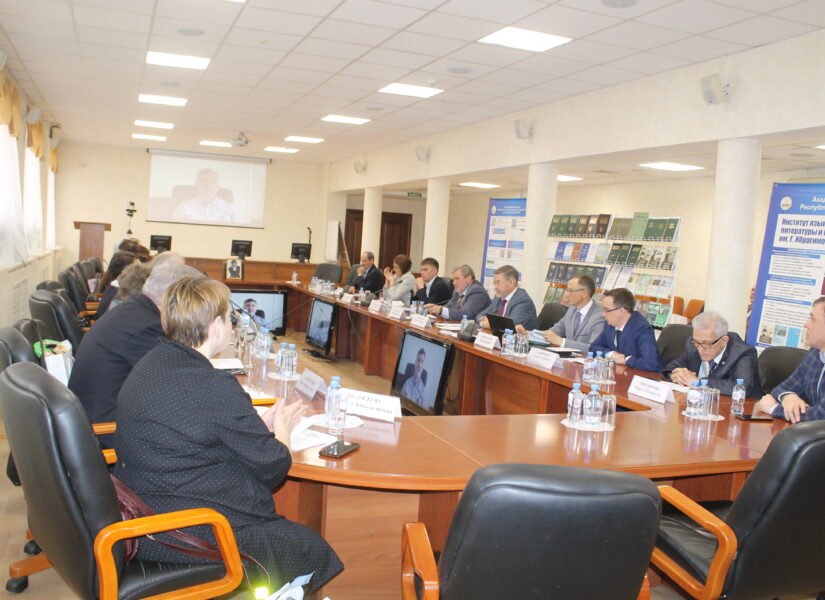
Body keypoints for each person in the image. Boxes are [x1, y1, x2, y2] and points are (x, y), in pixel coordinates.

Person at [114, 277, 342, 593]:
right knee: (307, 546)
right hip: (183, 529)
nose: (233, 325)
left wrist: (254, 428)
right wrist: (283, 431)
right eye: (230, 317)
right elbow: (274, 467)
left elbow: (194, 426)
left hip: (144, 510)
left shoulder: (151, 362)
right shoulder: (213, 386)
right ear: (215, 326)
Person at [68, 257, 199, 445]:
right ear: (177, 298)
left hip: (97, 419)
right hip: (106, 431)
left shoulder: (135, 312)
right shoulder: (147, 327)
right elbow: (179, 385)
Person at [755, 297, 825, 422]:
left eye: (813, 319)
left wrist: (774, 408)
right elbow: (781, 388)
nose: (806, 324)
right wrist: (788, 396)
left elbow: (821, 416)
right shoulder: (815, 352)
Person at [663, 311, 760, 396]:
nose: (700, 349)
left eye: (706, 344)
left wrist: (699, 382)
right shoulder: (693, 343)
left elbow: (742, 387)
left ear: (724, 340)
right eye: (697, 342)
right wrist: (676, 374)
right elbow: (671, 367)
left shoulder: (743, 353)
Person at [516, 274, 604, 351]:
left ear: (584, 293)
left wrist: (562, 341)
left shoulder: (600, 316)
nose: (566, 294)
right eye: (566, 290)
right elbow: (552, 333)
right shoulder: (572, 310)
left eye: (570, 290)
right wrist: (528, 334)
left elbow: (595, 348)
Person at [590, 288, 663, 372]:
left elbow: (649, 363)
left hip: (646, 377)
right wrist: (612, 354)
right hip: (621, 373)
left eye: (606, 310)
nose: (603, 314)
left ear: (621, 311)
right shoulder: (610, 324)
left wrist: (626, 359)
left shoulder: (642, 328)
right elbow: (594, 347)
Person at [477, 265, 537, 330]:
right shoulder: (498, 297)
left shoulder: (523, 301)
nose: (495, 287)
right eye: (494, 283)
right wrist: (484, 322)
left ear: (511, 282)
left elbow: (509, 326)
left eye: (498, 283)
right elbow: (480, 315)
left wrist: (490, 323)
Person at [171, 168, 239, 223]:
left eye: (213, 181)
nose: (208, 184)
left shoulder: (229, 208)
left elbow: (238, 232)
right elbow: (172, 228)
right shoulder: (184, 207)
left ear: (218, 186)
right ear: (196, 185)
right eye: (203, 180)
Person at [93, 250, 139, 319]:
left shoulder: (113, 287)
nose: (140, 272)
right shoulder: (118, 294)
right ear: (125, 271)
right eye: (137, 269)